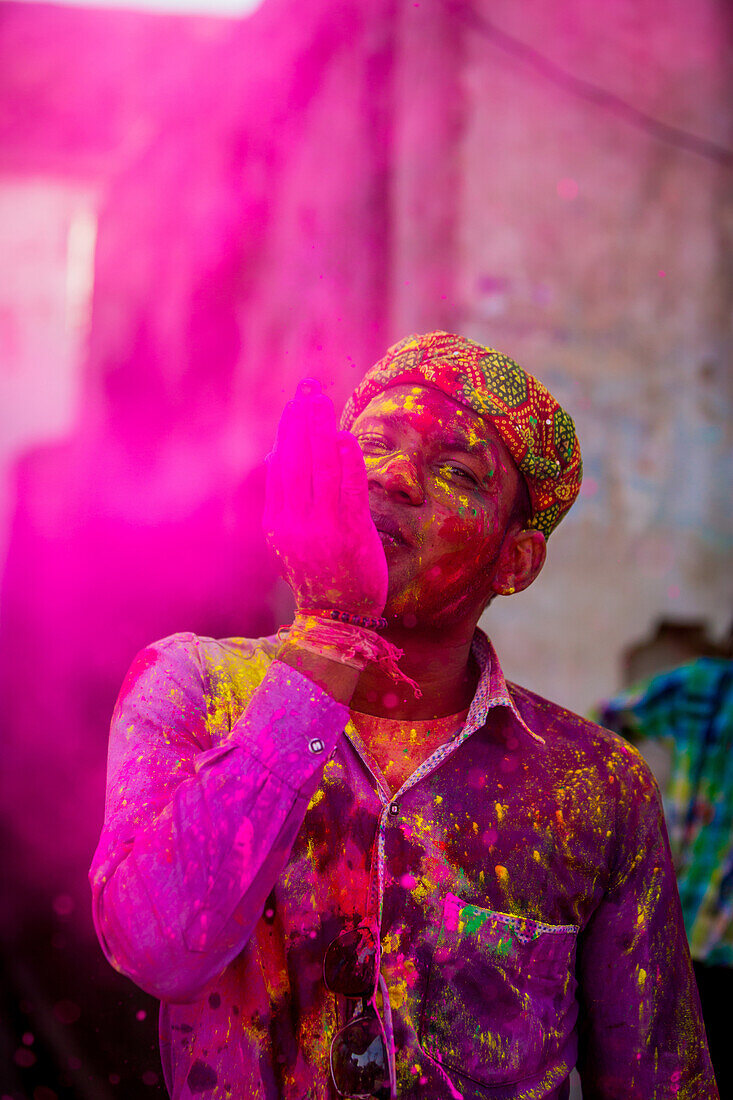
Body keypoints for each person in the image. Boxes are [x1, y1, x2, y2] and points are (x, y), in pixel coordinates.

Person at [90, 331, 717, 1099]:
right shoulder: (192, 686)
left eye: (453, 471)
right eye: (372, 446)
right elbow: (161, 950)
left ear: (514, 562)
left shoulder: (593, 784)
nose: (393, 477)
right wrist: (331, 634)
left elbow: (660, 1081)